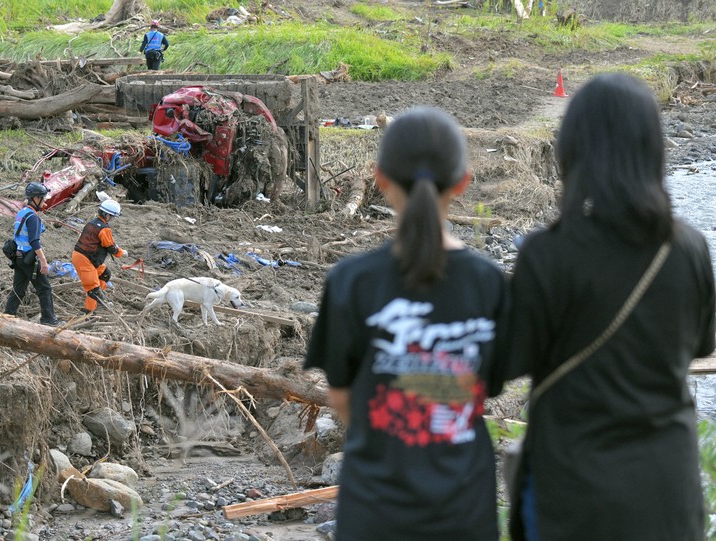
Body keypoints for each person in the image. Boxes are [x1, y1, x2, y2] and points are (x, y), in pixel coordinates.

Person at [506, 72, 715, 541]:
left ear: (572, 149)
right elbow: (703, 342)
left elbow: (508, 359)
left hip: (570, 494)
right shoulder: (689, 249)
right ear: (653, 149)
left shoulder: (547, 253)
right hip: (668, 493)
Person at [303, 107, 510, 541]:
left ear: (380, 180)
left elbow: (342, 398)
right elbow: (483, 389)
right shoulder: (489, 283)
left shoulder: (351, 281)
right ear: (463, 182)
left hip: (375, 503)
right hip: (465, 505)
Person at [4, 182, 62, 326]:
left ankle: (7, 315)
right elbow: (35, 241)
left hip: (18, 257)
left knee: (18, 289)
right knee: (44, 288)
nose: (45, 201)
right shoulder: (33, 218)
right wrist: (43, 261)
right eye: (43, 198)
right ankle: (48, 319)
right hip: (28, 258)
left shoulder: (22, 212)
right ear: (36, 198)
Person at [71, 199, 127, 313]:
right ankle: (89, 311)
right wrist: (122, 252)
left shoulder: (92, 223)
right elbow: (111, 247)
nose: (113, 219)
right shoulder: (104, 228)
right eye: (113, 217)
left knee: (105, 274)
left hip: (86, 258)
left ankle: (97, 302)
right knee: (92, 288)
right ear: (107, 215)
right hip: (85, 260)